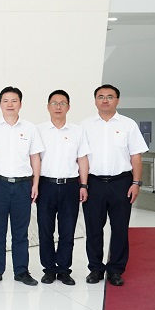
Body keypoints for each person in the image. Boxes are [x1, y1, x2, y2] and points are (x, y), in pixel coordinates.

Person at [81, 84, 148, 286]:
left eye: (110, 97)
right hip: (94, 183)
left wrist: (136, 182)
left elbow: (136, 156)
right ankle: (95, 269)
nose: (105, 100)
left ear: (117, 100)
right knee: (93, 228)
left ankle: (116, 270)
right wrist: (82, 184)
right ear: (95, 101)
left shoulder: (128, 125)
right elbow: (81, 157)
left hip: (121, 183)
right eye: (101, 96)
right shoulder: (85, 125)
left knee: (119, 228)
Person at [0, 86, 44, 286]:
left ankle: (21, 271)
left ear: (20, 103)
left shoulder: (30, 128)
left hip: (22, 185)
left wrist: (35, 183)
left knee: (21, 232)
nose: (10, 104)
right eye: (6, 101)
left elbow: (35, 158)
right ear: (0, 103)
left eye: (14, 101)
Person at [36, 90, 90, 286]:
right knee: (45, 230)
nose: (58, 107)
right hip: (46, 185)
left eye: (62, 103)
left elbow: (82, 159)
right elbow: (34, 160)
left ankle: (64, 269)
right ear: (48, 107)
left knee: (67, 230)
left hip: (70, 186)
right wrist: (34, 185)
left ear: (68, 107)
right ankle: (49, 269)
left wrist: (83, 185)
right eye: (54, 103)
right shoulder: (38, 131)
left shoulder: (77, 131)